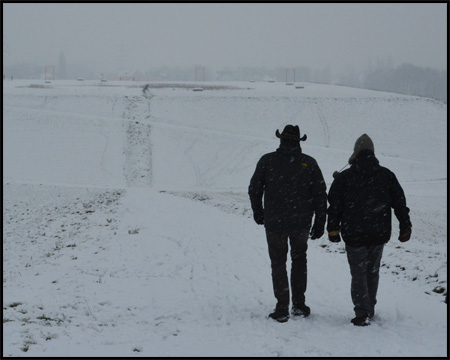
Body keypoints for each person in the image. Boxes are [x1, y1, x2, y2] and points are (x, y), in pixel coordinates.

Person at [327, 133, 412, 326]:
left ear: (355, 152)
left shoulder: (345, 177)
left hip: (354, 233)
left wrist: (333, 229)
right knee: (372, 271)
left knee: (358, 273)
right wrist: (405, 224)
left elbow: (334, 205)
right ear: (373, 152)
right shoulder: (386, 175)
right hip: (378, 233)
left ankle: (362, 312)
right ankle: (369, 308)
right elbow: (400, 202)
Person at [249, 125, 327, 323]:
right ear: (299, 141)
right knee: (299, 260)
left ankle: (282, 307)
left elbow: (254, 189)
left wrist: (259, 212)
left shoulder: (268, 161)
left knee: (278, 263)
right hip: (301, 222)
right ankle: (299, 305)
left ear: (281, 140)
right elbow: (319, 195)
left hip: (274, 222)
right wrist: (320, 221)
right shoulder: (308, 163)